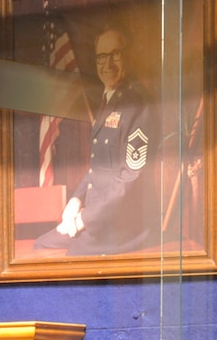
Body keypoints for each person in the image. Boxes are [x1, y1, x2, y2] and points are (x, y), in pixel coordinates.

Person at [35, 27, 156, 256]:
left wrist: (84, 219)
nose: (107, 64)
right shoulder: (109, 98)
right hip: (96, 221)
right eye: (102, 57)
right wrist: (75, 200)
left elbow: (130, 177)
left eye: (115, 55)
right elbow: (97, 167)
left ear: (127, 56)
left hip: (119, 230)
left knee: (64, 261)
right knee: (41, 243)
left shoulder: (136, 103)